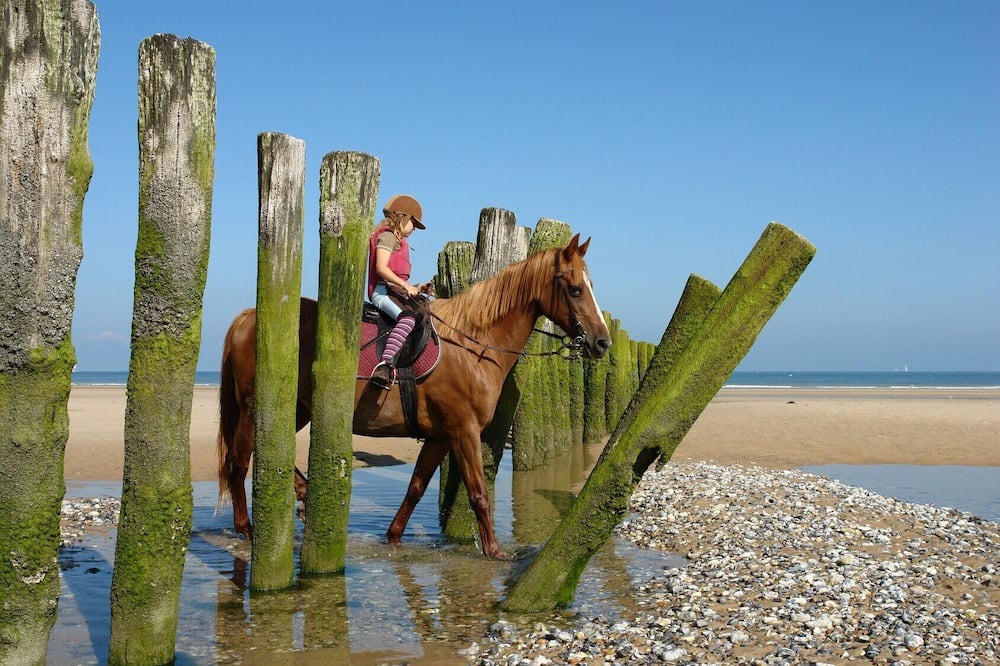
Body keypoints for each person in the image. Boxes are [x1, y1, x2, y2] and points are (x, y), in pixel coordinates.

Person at [367, 194, 427, 389]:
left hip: (396, 291)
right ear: (403, 218)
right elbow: (381, 269)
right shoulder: (387, 237)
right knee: (407, 319)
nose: (414, 229)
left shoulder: (401, 242)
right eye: (413, 224)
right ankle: (384, 365)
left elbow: (401, 279)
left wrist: (416, 288)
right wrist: (405, 287)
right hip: (382, 292)